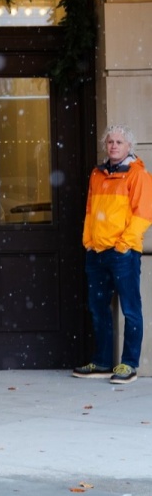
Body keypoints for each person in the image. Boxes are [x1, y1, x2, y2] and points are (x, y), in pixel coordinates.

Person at [73, 125, 152, 384]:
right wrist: (88, 241)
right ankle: (102, 362)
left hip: (123, 253)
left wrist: (124, 245)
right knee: (98, 309)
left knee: (130, 309)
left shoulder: (138, 175)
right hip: (96, 252)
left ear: (129, 146)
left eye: (119, 142)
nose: (114, 146)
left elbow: (144, 215)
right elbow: (90, 211)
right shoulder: (97, 174)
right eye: (110, 142)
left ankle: (129, 364)